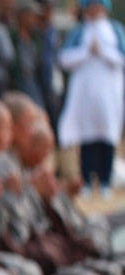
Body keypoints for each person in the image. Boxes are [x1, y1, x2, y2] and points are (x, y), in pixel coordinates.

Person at [57, 0, 125, 199]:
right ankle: (87, 180)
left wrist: (102, 52)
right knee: (87, 139)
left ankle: (105, 180)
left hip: (109, 95)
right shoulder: (79, 32)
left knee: (107, 137)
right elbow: (65, 59)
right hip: (85, 96)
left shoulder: (115, 30)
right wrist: (87, 51)